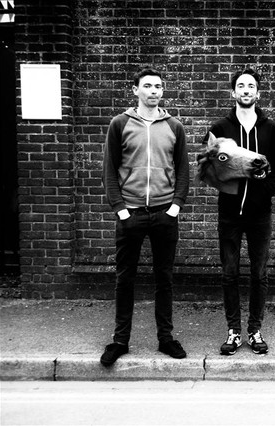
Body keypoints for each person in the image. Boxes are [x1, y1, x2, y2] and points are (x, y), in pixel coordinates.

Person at [100, 66, 190, 366]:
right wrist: (121, 209)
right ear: (135, 90)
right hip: (131, 214)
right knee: (125, 279)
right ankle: (120, 340)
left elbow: (183, 170)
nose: (154, 91)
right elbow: (110, 170)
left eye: (158, 86)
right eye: (148, 86)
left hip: (165, 213)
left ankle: (165, 338)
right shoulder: (120, 124)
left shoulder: (174, 126)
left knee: (164, 279)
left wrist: (175, 206)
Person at [203, 68, 275, 356]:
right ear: (233, 92)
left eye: (251, 86)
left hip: (259, 214)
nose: (246, 90)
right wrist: (232, 176)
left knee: (259, 273)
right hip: (229, 213)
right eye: (241, 86)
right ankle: (234, 332)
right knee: (229, 273)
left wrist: (262, 191)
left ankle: (254, 330)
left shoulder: (270, 128)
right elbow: (208, 169)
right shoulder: (219, 128)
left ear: (258, 93)